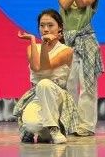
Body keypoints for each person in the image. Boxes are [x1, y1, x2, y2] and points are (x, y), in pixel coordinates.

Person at [14, 9, 77, 144]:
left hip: (58, 97)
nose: (46, 29)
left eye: (50, 25)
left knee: (45, 83)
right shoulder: (32, 47)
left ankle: (54, 129)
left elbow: (45, 67)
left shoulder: (66, 51)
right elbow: (36, 68)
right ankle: (46, 132)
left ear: (60, 28)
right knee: (32, 126)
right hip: (37, 95)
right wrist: (33, 40)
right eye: (42, 26)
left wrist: (43, 44)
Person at [57, 0, 102, 136]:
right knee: (68, 83)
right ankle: (69, 122)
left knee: (88, 84)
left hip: (86, 39)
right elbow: (65, 5)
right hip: (67, 41)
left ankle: (86, 125)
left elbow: (82, 4)